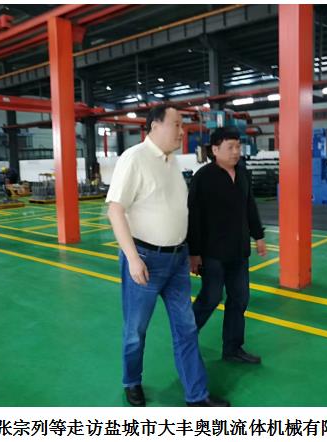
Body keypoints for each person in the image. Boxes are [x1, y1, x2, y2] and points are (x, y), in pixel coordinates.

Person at [106, 104, 229, 407]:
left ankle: (196, 396)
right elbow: (115, 210)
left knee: (186, 328)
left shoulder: (171, 162)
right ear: (155, 126)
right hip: (145, 260)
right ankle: (131, 381)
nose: (181, 131)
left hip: (177, 260)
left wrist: (189, 251)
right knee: (136, 330)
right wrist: (133, 258)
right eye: (176, 124)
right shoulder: (134, 158)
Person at [187, 127, 266, 364]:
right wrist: (194, 253)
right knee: (210, 298)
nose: (235, 152)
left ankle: (232, 348)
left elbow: (249, 206)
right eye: (230, 147)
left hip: (238, 252)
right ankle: (185, 339)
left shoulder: (242, 173)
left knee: (239, 299)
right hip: (213, 253)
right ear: (215, 149)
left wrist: (258, 236)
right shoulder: (203, 177)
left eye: (238, 147)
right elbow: (193, 216)